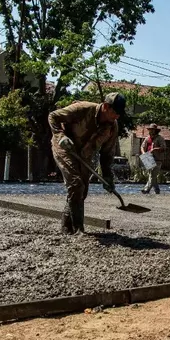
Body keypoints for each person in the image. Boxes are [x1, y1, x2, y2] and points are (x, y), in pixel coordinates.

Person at [48, 93, 125, 234]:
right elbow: (53, 116)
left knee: (81, 191)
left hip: (84, 153)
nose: (117, 117)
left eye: (120, 114)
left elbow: (107, 154)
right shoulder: (82, 109)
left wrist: (107, 177)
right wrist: (60, 136)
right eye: (115, 113)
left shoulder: (112, 127)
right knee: (76, 184)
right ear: (106, 107)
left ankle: (67, 228)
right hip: (65, 147)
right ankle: (79, 230)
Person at [140, 124, 166, 195]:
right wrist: (144, 153)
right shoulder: (147, 138)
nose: (151, 131)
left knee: (152, 175)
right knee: (151, 175)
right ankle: (157, 190)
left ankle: (146, 189)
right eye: (150, 129)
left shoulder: (160, 138)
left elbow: (163, 147)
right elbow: (142, 146)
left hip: (157, 159)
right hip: (148, 157)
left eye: (152, 129)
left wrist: (154, 149)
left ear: (155, 130)